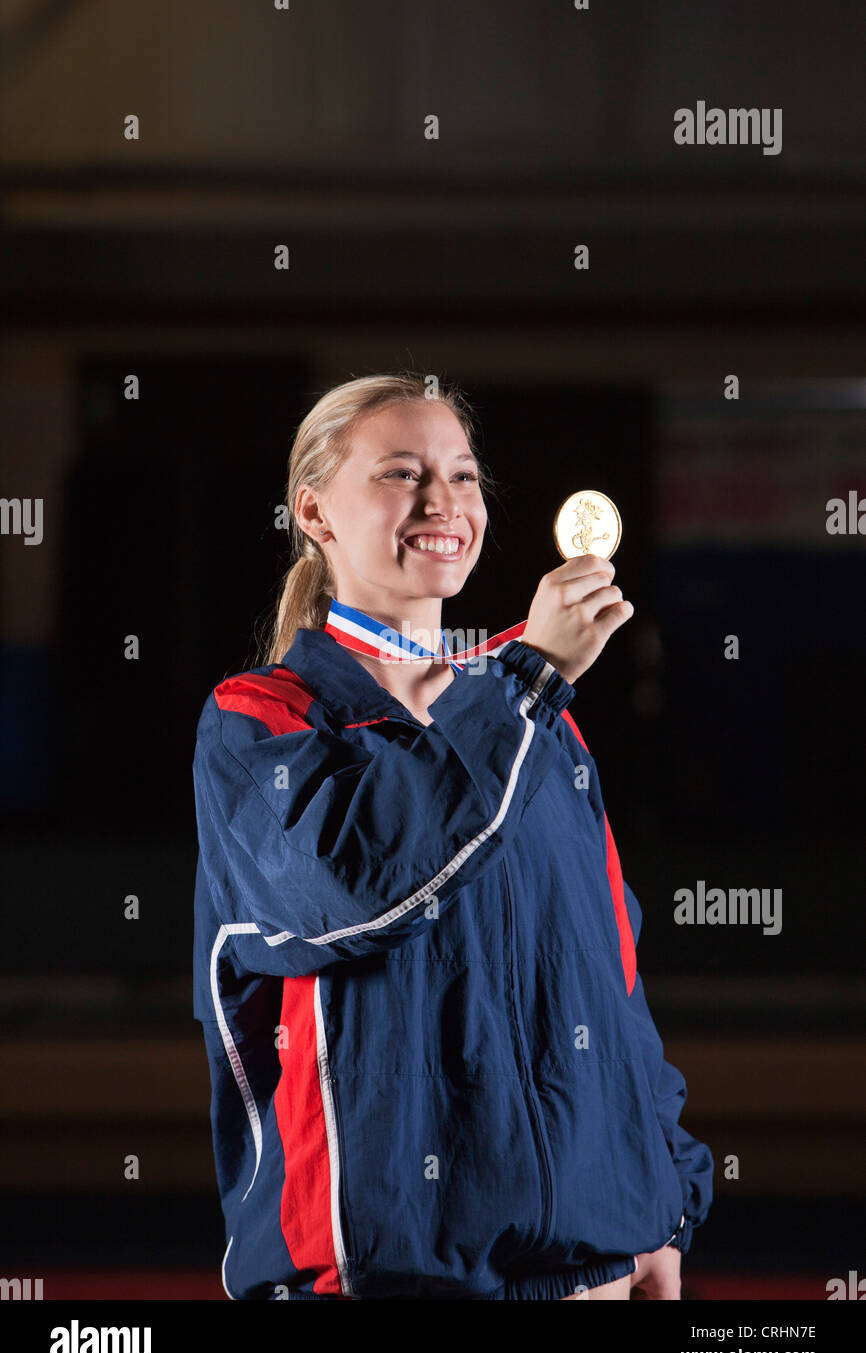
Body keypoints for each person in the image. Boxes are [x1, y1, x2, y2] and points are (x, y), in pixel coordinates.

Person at [192, 371, 713, 1301]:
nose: (444, 501)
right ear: (314, 511)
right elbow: (357, 887)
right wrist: (529, 679)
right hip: (383, 1278)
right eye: (401, 474)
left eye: (464, 477)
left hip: (590, 1270)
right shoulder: (261, 721)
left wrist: (667, 1200)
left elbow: (613, 980)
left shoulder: (543, 728)